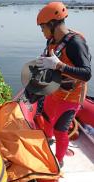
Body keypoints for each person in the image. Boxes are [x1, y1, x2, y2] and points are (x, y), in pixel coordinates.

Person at [36, 2, 92, 167]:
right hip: (54, 91)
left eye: (43, 28)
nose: (42, 32)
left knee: (61, 130)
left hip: (71, 97)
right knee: (46, 119)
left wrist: (59, 65)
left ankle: (58, 162)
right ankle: (46, 144)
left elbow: (86, 73)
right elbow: (49, 60)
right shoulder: (52, 40)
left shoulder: (75, 43)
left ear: (52, 24)